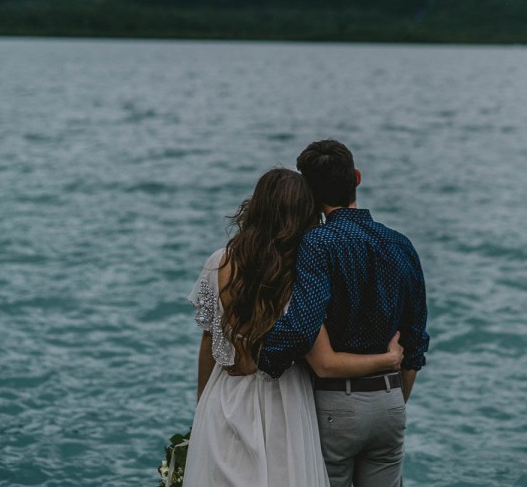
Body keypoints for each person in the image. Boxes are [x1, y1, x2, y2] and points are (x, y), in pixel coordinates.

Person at [184, 168, 405, 487]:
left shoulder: (218, 262)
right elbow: (324, 361)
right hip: (284, 404)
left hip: (222, 398)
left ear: (256, 206)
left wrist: (201, 407)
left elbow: (208, 342)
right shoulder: (300, 275)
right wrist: (388, 360)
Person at [258, 140, 430, 487]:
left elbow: (303, 325)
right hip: (390, 402)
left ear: (309, 193)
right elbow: (415, 340)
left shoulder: (317, 244)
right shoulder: (401, 244)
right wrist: (394, 399)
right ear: (357, 177)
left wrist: (263, 358)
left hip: (336, 404)